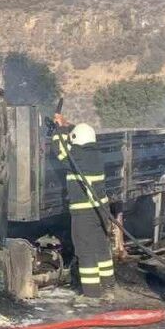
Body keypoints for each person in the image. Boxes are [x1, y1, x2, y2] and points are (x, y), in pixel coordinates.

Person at [50, 116, 114, 297]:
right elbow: (74, 141)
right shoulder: (97, 155)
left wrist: (60, 128)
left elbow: (58, 147)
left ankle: (92, 293)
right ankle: (108, 285)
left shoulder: (76, 156)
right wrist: (68, 125)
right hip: (101, 211)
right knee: (101, 247)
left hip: (84, 213)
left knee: (85, 250)